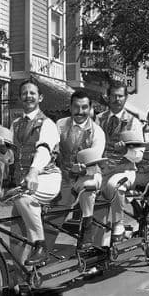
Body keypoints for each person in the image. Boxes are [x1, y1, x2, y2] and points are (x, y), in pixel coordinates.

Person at [0, 80, 61, 266]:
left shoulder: (48, 124)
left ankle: (40, 245)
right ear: (20, 98)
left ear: (40, 97)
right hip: (25, 184)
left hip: (47, 177)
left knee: (23, 200)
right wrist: (3, 149)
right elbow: (12, 156)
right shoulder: (15, 124)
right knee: (16, 236)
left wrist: (33, 172)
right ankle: (20, 280)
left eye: (32, 93)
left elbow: (44, 150)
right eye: (24, 93)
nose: (28, 96)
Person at [55, 91, 106, 249]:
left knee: (88, 186)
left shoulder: (97, 131)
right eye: (76, 107)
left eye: (84, 107)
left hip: (88, 174)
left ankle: (87, 225)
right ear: (70, 107)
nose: (80, 111)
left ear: (90, 109)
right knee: (52, 217)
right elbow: (53, 147)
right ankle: (42, 250)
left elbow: (95, 158)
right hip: (64, 176)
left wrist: (83, 169)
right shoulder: (60, 125)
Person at [96, 81, 143, 242]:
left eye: (120, 96)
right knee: (88, 192)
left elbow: (139, 155)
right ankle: (97, 251)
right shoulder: (98, 119)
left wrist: (126, 151)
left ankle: (119, 224)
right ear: (107, 97)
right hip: (103, 170)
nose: (117, 99)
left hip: (125, 170)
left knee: (113, 185)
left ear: (126, 98)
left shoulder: (134, 122)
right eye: (113, 96)